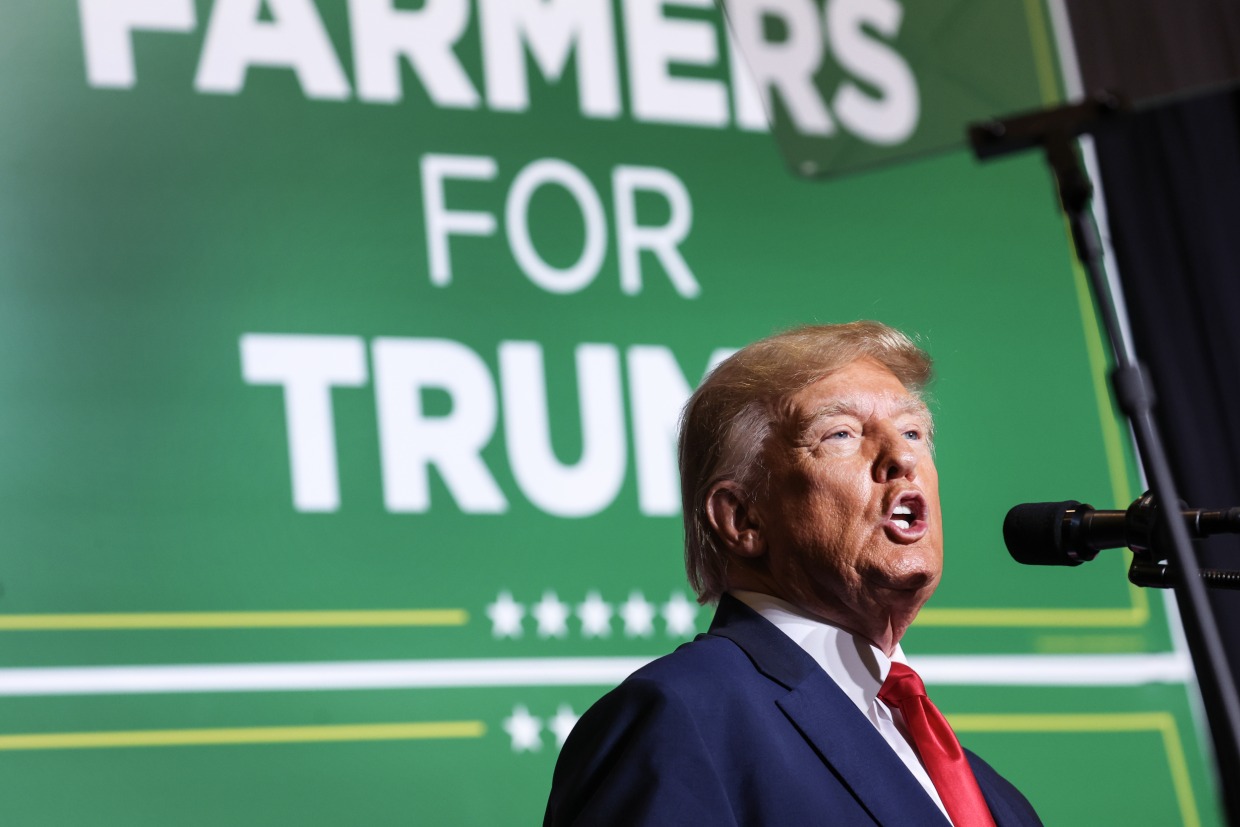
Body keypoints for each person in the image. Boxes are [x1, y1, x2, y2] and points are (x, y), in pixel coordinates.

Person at [544, 321, 1042, 826]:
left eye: (913, 431)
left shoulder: (995, 798)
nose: (902, 457)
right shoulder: (681, 718)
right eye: (841, 434)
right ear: (743, 518)